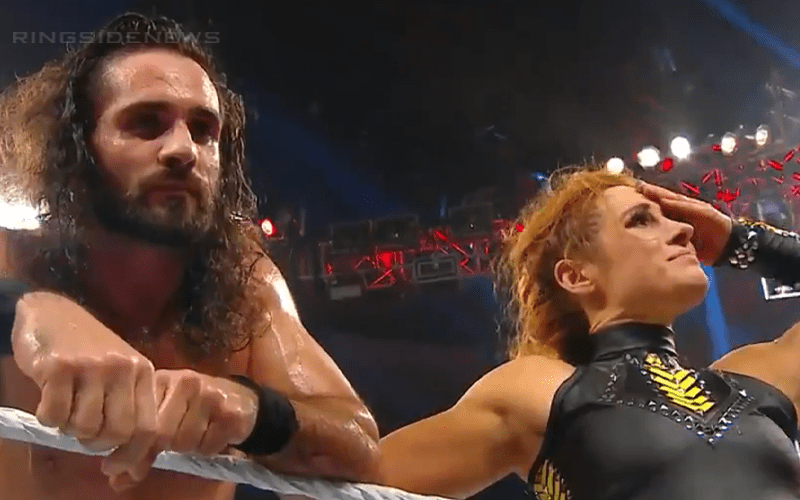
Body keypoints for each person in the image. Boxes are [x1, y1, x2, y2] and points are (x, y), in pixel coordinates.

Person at [0, 13, 379, 500]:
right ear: (79, 148)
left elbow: (359, 444)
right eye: (145, 124)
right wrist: (28, 309)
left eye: (203, 130)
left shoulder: (244, 282)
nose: (183, 149)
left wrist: (250, 410)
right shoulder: (16, 256)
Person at [377, 165, 800, 500]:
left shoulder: (757, 380)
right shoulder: (539, 391)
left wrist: (740, 240)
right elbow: (351, 481)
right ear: (576, 275)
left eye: (672, 218)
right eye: (640, 221)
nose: (685, 229)